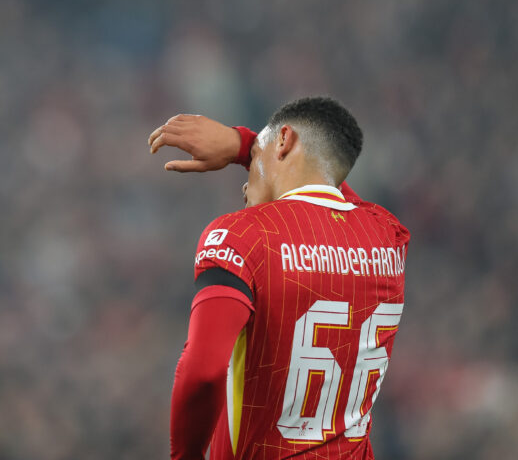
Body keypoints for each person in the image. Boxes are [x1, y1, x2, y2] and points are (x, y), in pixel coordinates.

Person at [148, 97, 409, 460]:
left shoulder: (242, 235)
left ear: (284, 141)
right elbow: (335, 187)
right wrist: (248, 147)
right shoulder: (388, 237)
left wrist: (185, 457)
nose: (245, 183)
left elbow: (204, 371)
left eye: (255, 158)